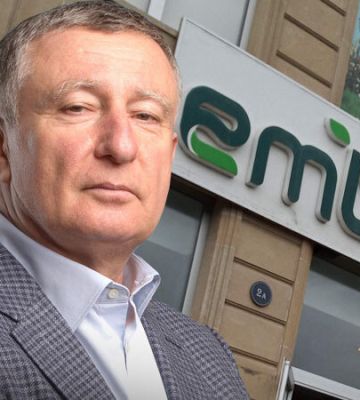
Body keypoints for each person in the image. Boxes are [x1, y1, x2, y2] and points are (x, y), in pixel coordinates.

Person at [0, 1, 248, 399]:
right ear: (3, 148)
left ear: (169, 155)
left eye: (146, 116)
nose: (121, 146)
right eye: (78, 107)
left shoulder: (208, 355)